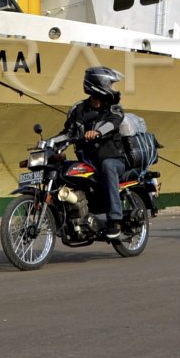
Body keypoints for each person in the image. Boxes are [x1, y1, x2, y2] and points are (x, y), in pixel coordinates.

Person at [62, 67, 128, 238]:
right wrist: (49, 143)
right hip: (89, 160)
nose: (113, 88)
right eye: (110, 84)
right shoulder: (78, 109)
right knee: (65, 169)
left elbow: (113, 123)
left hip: (114, 158)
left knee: (107, 166)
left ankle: (115, 219)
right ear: (100, 84)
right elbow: (68, 132)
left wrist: (98, 133)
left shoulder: (113, 109)